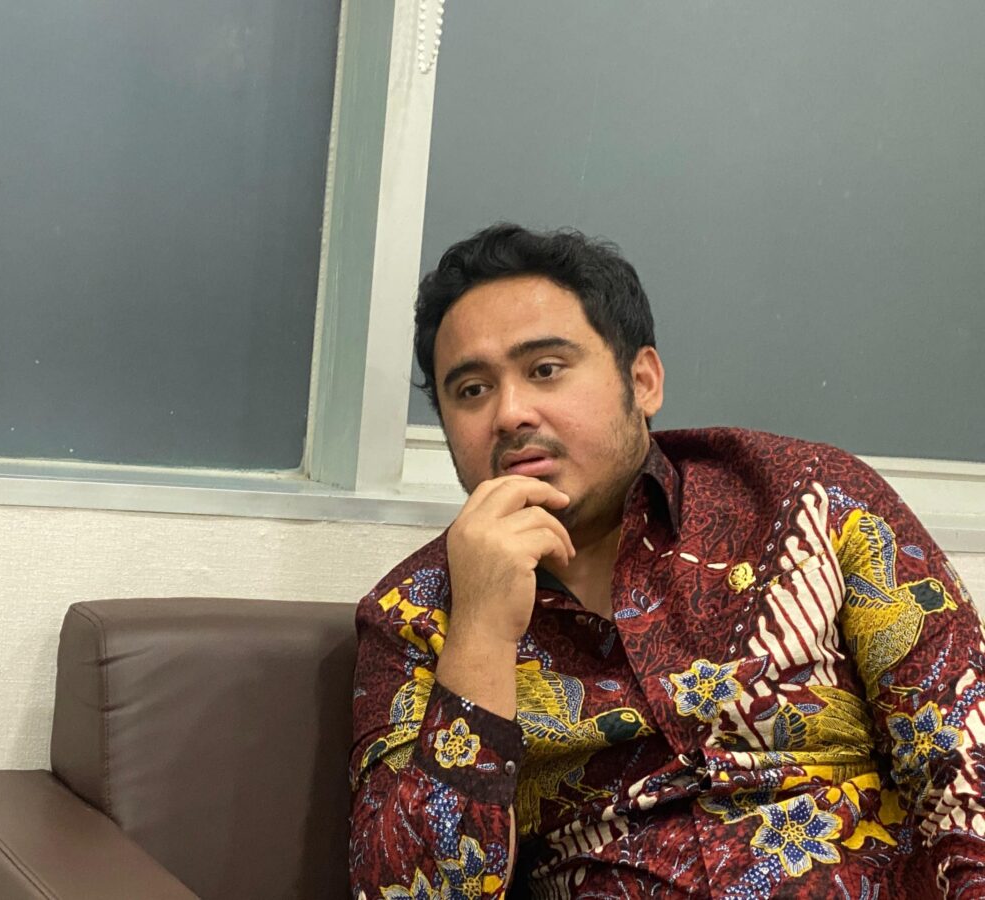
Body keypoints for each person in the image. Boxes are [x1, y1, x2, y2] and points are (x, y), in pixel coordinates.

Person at [348, 224, 985, 898]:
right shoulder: (415, 614)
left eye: (545, 369)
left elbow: (964, 770)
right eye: (472, 390)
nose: (509, 414)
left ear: (643, 381)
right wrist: (480, 631)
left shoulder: (812, 500)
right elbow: (411, 891)